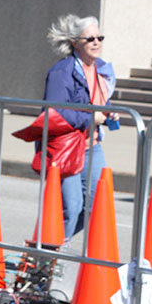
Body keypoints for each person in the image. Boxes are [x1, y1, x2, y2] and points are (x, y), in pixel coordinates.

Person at [44, 14, 118, 240]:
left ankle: (51, 245)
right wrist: (90, 118)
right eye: (90, 39)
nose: (96, 42)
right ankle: (49, 257)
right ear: (75, 42)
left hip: (92, 146)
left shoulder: (101, 69)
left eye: (99, 37)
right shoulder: (63, 71)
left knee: (98, 207)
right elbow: (52, 112)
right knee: (71, 207)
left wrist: (109, 111)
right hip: (66, 147)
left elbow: (98, 100)